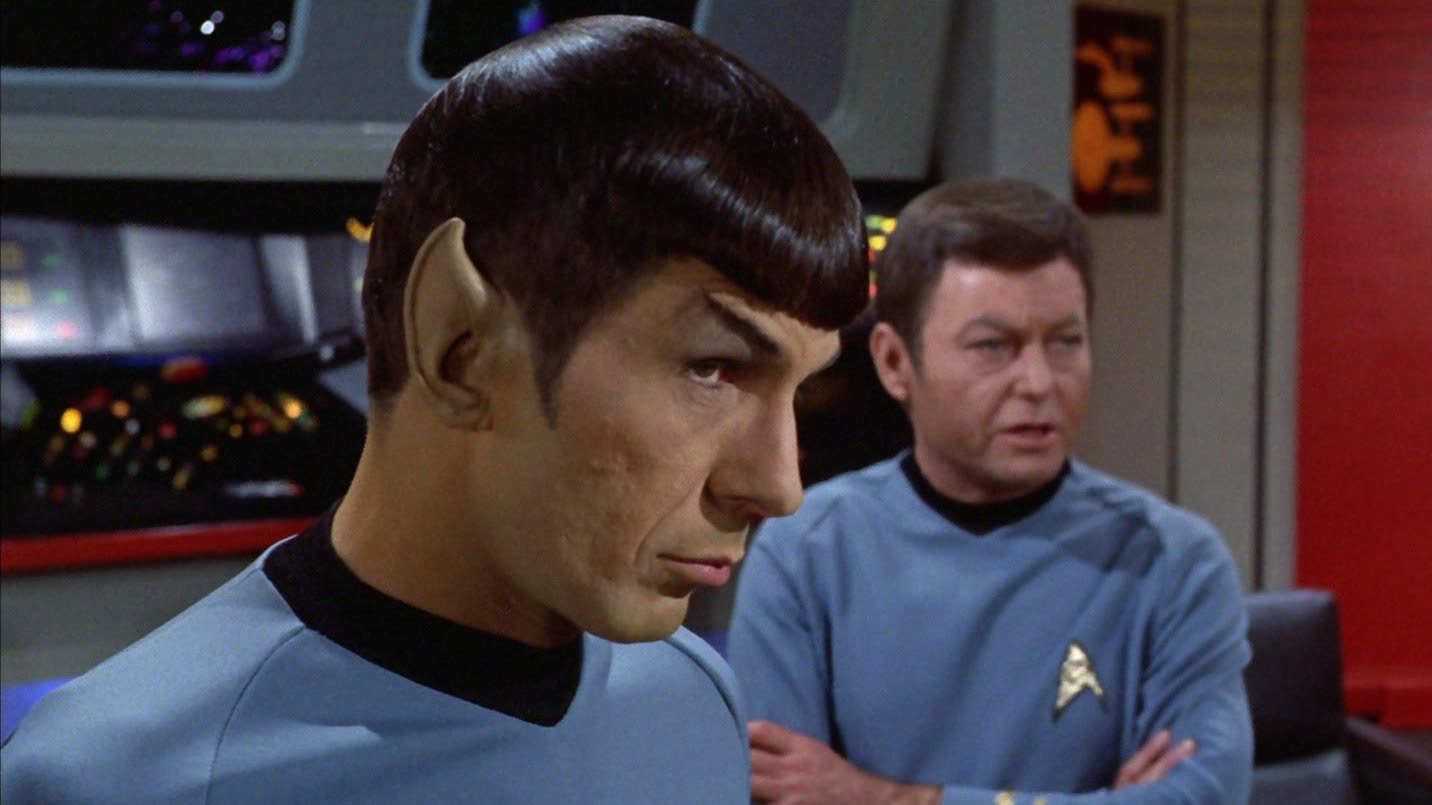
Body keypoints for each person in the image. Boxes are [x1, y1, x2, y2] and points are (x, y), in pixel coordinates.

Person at [0, 16, 869, 803]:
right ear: (462, 342)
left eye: (801, 387)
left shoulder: (693, 701)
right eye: (713, 368)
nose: (779, 485)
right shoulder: (117, 779)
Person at [727, 178, 1253, 804]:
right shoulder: (808, 552)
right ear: (895, 363)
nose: (1038, 382)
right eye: (993, 347)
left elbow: (1205, 796)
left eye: (1065, 342)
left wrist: (880, 798)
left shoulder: (1174, 562)